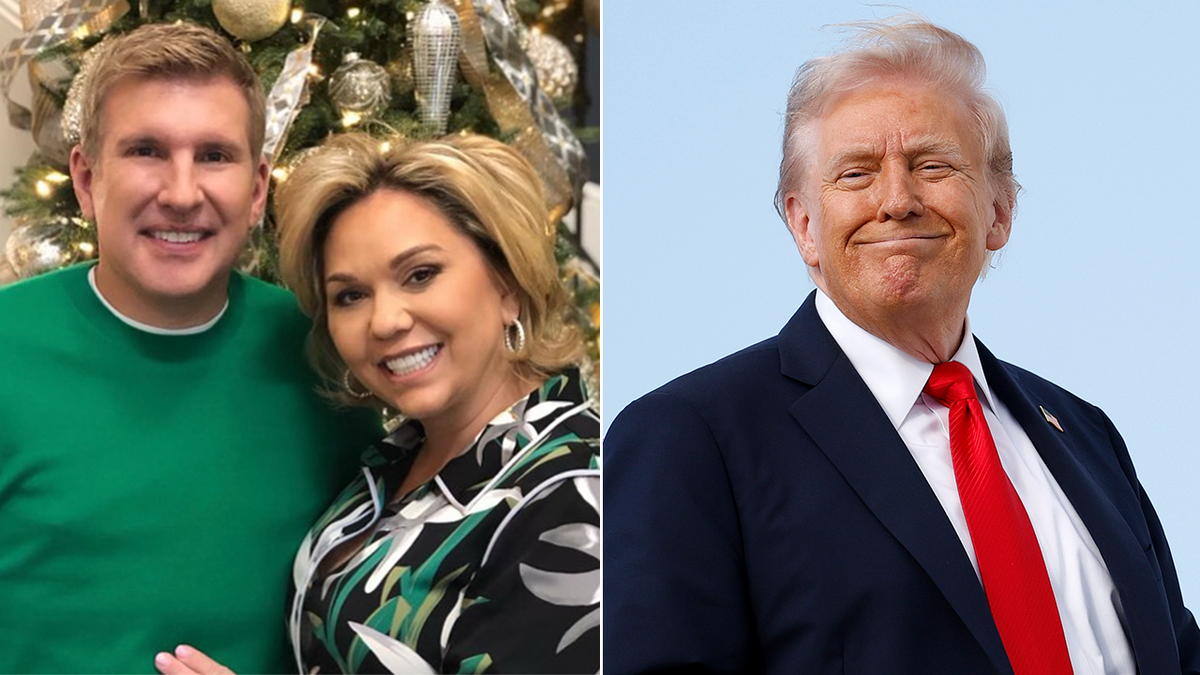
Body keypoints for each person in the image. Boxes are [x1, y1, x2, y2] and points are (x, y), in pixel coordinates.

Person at [604, 17, 1200, 675]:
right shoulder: (691, 439)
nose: (897, 200)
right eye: (857, 173)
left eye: (932, 164)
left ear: (1000, 210)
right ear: (803, 225)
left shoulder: (1088, 436)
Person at [0, 22, 379, 673]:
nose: (181, 194)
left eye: (214, 155)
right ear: (87, 181)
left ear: (258, 189)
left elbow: (368, 607)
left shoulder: (323, 353)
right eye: (146, 150)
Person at [153, 132, 601, 675]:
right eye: (350, 296)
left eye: (420, 275)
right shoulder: (393, 460)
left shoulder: (577, 490)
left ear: (507, 282)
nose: (385, 321)